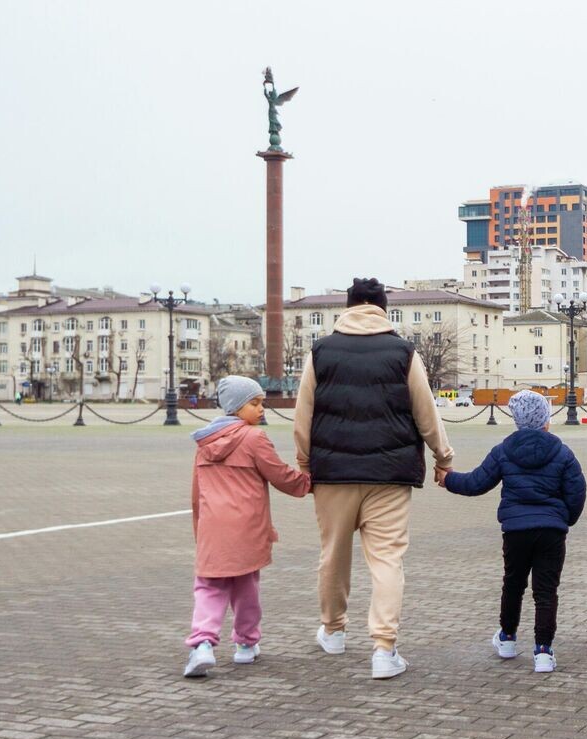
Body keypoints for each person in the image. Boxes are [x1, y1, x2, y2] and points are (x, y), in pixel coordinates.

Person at [293, 277, 454, 680]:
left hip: (333, 474)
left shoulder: (321, 351)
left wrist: (305, 464)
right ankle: (383, 649)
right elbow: (426, 412)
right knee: (386, 560)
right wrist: (443, 457)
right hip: (389, 474)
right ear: (382, 308)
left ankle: (333, 632)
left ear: (347, 307)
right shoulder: (403, 352)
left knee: (333, 554)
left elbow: (304, 414)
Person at [441, 390, 586, 673]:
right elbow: (577, 491)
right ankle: (543, 651)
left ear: (517, 420)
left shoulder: (504, 450)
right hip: (551, 532)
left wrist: (448, 479)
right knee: (546, 591)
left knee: (513, 584)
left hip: (516, 530)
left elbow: (476, 482)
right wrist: (565, 519)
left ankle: (507, 638)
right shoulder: (562, 452)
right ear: (546, 420)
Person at [184, 376, 311, 678]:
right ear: (235, 407)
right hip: (246, 525)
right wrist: (308, 482)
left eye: (261, 403)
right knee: (246, 586)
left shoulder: (204, 443)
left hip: (213, 526)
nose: (261, 409)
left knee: (209, 586)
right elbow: (279, 475)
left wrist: (199, 529)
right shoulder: (254, 438)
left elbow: (196, 493)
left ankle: (202, 643)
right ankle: (245, 644)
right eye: (254, 403)